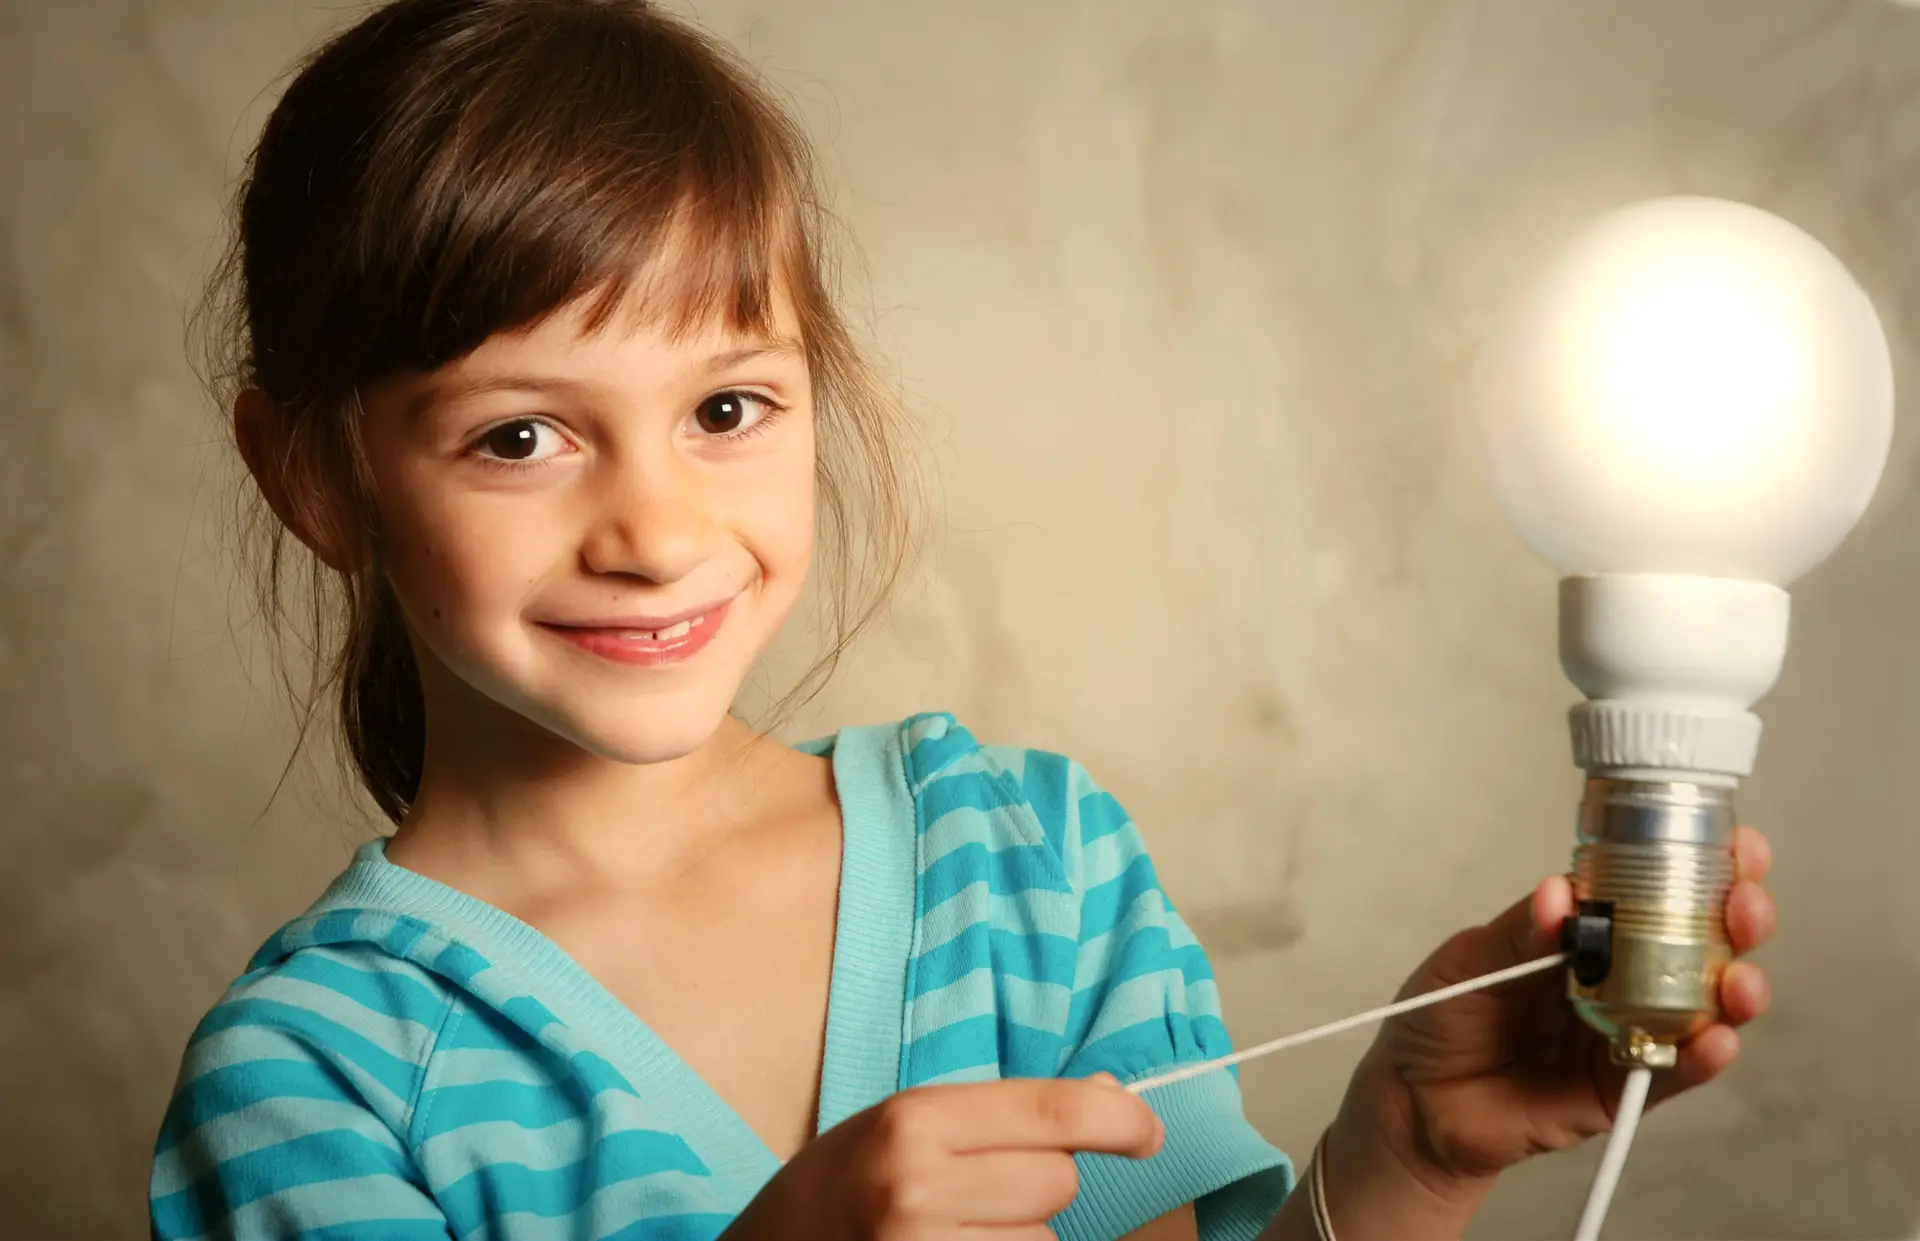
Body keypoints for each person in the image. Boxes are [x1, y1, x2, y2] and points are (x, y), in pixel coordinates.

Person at [148, 1, 1779, 1238]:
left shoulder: (1031, 867)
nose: (656, 531)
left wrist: (1403, 1154)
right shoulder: (315, 1080)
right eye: (521, 436)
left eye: (727, 409)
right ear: (314, 474)